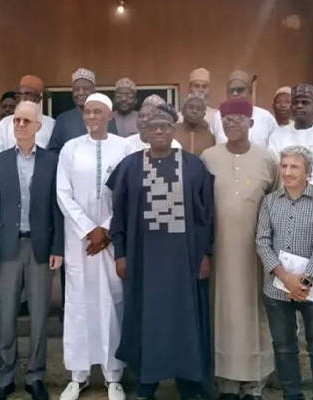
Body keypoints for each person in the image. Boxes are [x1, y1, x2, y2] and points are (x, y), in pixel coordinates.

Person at [107, 103, 214, 400]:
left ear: (173, 130)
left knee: (184, 319)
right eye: (153, 126)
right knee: (147, 319)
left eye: (165, 126)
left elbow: (205, 215)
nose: (158, 131)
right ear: (143, 130)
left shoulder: (192, 166)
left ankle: (187, 380)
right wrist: (120, 253)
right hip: (143, 259)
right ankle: (147, 380)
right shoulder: (130, 166)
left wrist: (205, 254)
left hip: (184, 259)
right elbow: (119, 214)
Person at [0, 101, 65, 400]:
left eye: (26, 121)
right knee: (6, 316)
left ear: (38, 126)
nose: (19, 125)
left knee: (39, 315)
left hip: (40, 247)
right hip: (7, 248)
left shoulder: (52, 161)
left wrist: (58, 247)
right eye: (16, 120)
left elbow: (58, 208)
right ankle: (4, 377)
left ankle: (35, 376)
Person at [56, 93, 131, 400]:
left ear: (109, 116)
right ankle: (78, 375)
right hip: (80, 241)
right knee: (78, 304)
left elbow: (128, 193)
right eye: (87, 112)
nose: (91, 117)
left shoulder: (124, 147)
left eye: (97, 112)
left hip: (112, 240)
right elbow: (63, 193)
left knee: (113, 303)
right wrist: (89, 229)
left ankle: (114, 376)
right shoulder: (70, 148)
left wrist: (107, 229)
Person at [202, 99, 278, 400]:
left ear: (251, 123)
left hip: (255, 254)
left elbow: (275, 204)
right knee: (221, 313)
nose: (232, 123)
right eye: (227, 119)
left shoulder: (267, 159)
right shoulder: (208, 157)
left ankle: (254, 383)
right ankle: (226, 384)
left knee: (254, 313)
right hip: (218, 252)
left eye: (238, 118)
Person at [256, 145, 313, 400]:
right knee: (284, 347)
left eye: (294, 167)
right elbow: (262, 241)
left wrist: (305, 280)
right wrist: (285, 278)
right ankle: (292, 395)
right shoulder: (269, 202)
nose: (287, 172)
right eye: (284, 166)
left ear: (308, 171)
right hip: (276, 288)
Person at [47, 68, 118, 152]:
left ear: (93, 91)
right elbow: (54, 151)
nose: (81, 93)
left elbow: (114, 146)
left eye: (85, 89)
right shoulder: (63, 120)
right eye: (76, 90)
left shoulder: (106, 117)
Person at [0, 75, 56, 154]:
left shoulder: (50, 124)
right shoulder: (5, 123)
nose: (23, 98)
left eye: (28, 94)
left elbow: (52, 155)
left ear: (38, 99)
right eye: (19, 95)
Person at [225, 70, 278, 148]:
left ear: (250, 91)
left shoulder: (265, 117)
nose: (235, 94)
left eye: (240, 90)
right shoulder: (217, 118)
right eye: (231, 90)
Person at [180, 68, 225, 143]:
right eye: (196, 86)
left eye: (204, 87)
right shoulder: (179, 117)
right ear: (189, 88)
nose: (201, 90)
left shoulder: (217, 115)